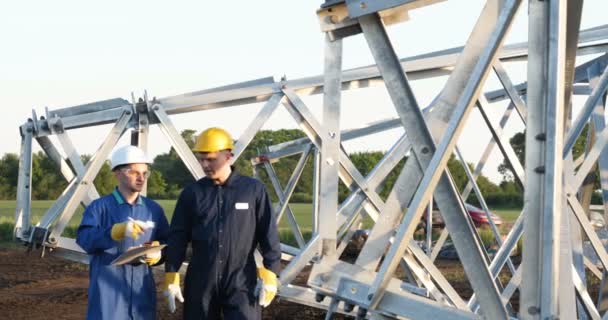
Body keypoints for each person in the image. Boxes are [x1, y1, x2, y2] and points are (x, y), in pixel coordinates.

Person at [164, 127, 281, 319]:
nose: (205, 164)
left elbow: (268, 233)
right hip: (201, 279)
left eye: (211, 159)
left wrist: (271, 272)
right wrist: (171, 273)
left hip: (242, 278)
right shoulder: (192, 194)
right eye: (202, 159)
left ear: (229, 156)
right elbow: (178, 236)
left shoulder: (253, 191)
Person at [76, 145, 170, 320]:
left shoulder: (153, 209)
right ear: (117, 173)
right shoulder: (99, 208)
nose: (141, 178)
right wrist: (114, 232)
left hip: (142, 295)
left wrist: (159, 255)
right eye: (134, 172)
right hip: (108, 297)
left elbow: (168, 243)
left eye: (145, 172)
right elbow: (84, 239)